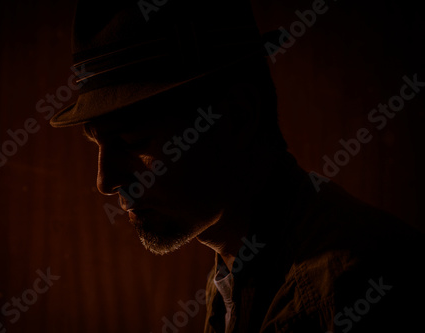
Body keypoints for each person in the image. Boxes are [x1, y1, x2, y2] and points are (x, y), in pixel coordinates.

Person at [50, 0, 425, 331]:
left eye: (134, 142)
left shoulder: (359, 286)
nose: (105, 179)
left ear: (239, 116)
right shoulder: (239, 270)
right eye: (98, 144)